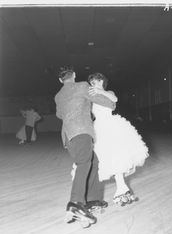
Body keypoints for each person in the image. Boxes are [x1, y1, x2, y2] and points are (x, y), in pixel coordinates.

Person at [72, 73, 149, 206]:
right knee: (101, 159)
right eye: (90, 82)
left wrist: (100, 91)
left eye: (94, 81)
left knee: (118, 157)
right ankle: (113, 191)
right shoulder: (91, 95)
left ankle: (121, 189)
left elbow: (115, 99)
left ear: (101, 81)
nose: (92, 84)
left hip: (113, 127)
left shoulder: (108, 92)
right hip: (98, 129)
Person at [54, 66, 116, 225]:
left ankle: (92, 200)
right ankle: (75, 203)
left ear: (60, 80)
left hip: (68, 136)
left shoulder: (58, 95)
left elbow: (59, 114)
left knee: (93, 162)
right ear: (74, 75)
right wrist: (102, 94)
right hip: (81, 131)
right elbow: (110, 104)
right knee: (84, 163)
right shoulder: (82, 86)